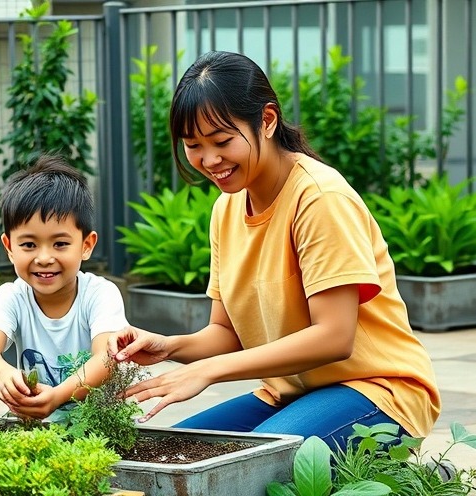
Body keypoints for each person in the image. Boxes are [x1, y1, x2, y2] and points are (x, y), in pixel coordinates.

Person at [108, 51, 440, 450]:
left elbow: (335, 337)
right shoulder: (226, 208)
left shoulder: (319, 198)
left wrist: (209, 372)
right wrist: (168, 346)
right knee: (167, 455)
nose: (209, 160)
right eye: (193, 145)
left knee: (244, 472)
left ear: (266, 121)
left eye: (222, 141)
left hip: (378, 392)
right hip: (288, 393)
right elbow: (225, 333)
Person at [0, 154, 128, 421]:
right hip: (41, 434)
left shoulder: (101, 294)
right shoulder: (11, 296)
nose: (44, 257)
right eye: (29, 245)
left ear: (87, 245)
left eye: (60, 244)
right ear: (9, 248)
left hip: (103, 433)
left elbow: (106, 360)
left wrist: (57, 397)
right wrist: (5, 374)